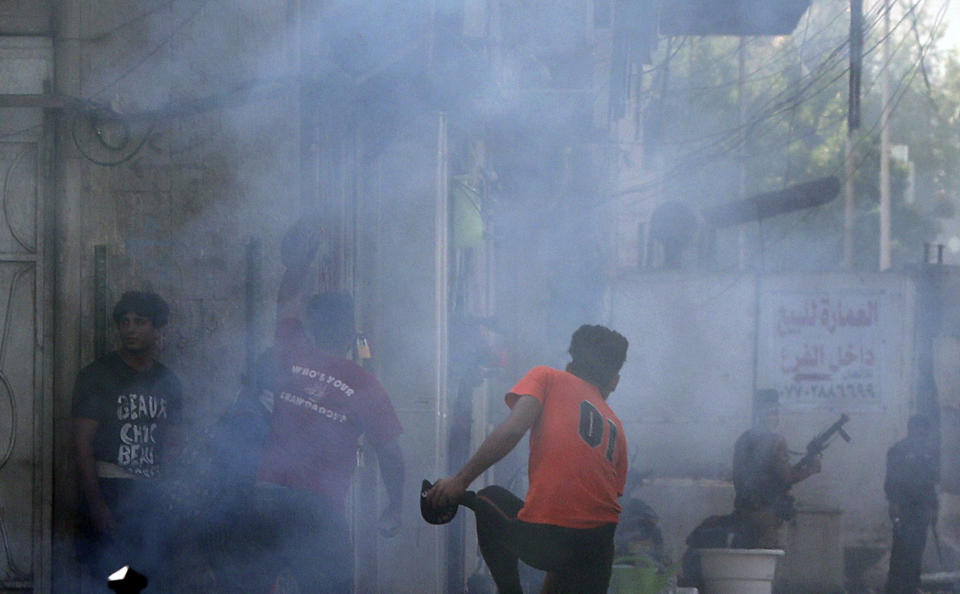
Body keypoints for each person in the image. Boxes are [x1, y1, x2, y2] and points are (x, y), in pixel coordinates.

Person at [249, 220, 405, 593]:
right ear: (352, 335)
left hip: (267, 498)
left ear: (313, 329)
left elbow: (285, 301)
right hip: (318, 511)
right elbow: (391, 455)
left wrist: (298, 265)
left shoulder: (290, 351)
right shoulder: (366, 385)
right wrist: (395, 507)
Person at [426, 324, 630, 594]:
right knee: (575, 555)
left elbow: (513, 429)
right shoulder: (616, 426)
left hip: (547, 538)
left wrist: (459, 481)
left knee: (488, 497)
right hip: (597, 547)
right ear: (615, 382)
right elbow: (594, 502)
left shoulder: (548, 377)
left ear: (570, 366)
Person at [72, 290, 183, 585]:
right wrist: (96, 504)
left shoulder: (169, 382)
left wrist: (169, 498)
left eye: (140, 321)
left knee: (151, 578)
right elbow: (82, 445)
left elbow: (172, 445)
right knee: (114, 580)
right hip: (112, 491)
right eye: (125, 321)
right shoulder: (98, 376)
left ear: (158, 328)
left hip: (151, 495)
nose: (130, 328)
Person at [732, 389, 820, 548]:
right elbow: (787, 477)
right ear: (763, 414)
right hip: (765, 513)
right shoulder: (775, 441)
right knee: (766, 558)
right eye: (772, 412)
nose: (775, 417)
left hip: (743, 510)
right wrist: (811, 469)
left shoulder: (743, 439)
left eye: (775, 413)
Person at [885, 414, 939, 594]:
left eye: (925, 430)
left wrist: (933, 507)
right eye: (920, 429)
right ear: (912, 429)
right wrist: (893, 502)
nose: (923, 433)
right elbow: (891, 480)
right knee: (901, 548)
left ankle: (912, 586)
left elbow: (931, 483)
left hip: (922, 508)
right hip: (904, 506)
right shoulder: (898, 451)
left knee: (917, 548)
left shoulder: (928, 453)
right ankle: (894, 588)